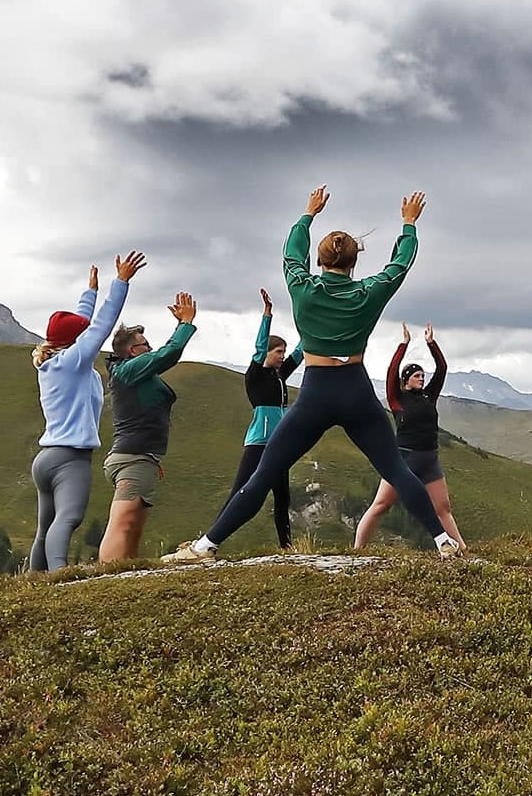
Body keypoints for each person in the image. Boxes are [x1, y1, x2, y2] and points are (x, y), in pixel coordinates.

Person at [162, 187, 461, 562]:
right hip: (355, 389)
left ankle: (205, 546)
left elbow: (291, 255)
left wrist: (307, 215)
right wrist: (409, 225)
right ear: (354, 264)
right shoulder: (368, 292)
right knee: (397, 470)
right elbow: (398, 267)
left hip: (316, 393)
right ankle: (443, 541)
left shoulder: (302, 288)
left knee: (265, 474)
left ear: (319, 262)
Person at [29, 252, 146, 571]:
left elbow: (78, 325)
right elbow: (100, 327)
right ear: (75, 342)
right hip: (70, 458)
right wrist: (120, 283)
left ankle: (33, 580)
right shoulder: (74, 361)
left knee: (46, 527)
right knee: (68, 519)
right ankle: (58, 576)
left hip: (46, 458)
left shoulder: (53, 361)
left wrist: (90, 292)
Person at [98, 292, 198, 563]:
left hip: (141, 457)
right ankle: (106, 578)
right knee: (123, 523)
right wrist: (185, 325)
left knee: (134, 525)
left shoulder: (135, 373)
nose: (150, 348)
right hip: (132, 457)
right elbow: (169, 354)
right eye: (145, 344)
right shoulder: (127, 370)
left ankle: (126, 573)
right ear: (132, 351)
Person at [353, 321, 466, 550]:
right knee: (381, 505)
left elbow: (442, 369)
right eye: (416, 375)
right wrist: (404, 345)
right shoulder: (397, 400)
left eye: (422, 375)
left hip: (430, 459)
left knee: (443, 509)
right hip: (404, 460)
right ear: (406, 380)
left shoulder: (429, 396)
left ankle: (463, 549)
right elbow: (391, 373)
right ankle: (357, 549)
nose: (421, 379)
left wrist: (431, 343)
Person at [220, 288, 303, 549]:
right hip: (259, 442)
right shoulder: (255, 374)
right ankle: (210, 539)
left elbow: (301, 353)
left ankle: (286, 547)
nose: (282, 356)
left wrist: (312, 325)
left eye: (283, 352)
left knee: (282, 497)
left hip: (279, 442)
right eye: (278, 351)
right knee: (240, 491)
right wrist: (267, 316)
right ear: (268, 353)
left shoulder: (279, 375)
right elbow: (259, 347)